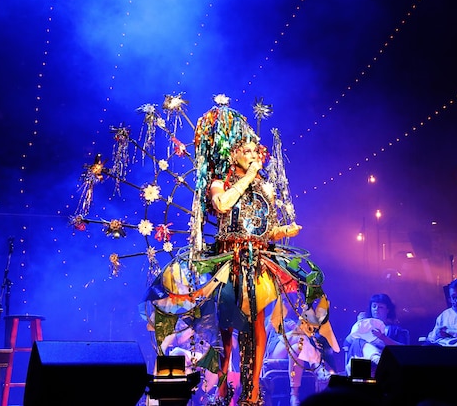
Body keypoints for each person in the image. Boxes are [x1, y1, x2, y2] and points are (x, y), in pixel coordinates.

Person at [144, 100, 339, 406]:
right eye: (245, 151)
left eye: (254, 151)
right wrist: (249, 177)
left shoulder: (265, 189)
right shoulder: (219, 183)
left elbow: (267, 228)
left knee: (257, 323)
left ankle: (252, 391)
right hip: (228, 263)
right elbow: (222, 206)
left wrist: (284, 232)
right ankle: (222, 387)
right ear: (231, 153)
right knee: (225, 327)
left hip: (258, 262)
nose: (252, 156)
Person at [343, 294, 410, 373]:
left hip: (386, 360)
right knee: (357, 342)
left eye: (380, 307)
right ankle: (375, 358)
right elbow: (346, 344)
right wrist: (358, 326)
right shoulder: (364, 327)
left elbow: (404, 349)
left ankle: (352, 367)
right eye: (374, 306)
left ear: (387, 310)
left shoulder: (396, 330)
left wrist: (383, 338)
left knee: (358, 347)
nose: (376, 309)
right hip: (364, 362)